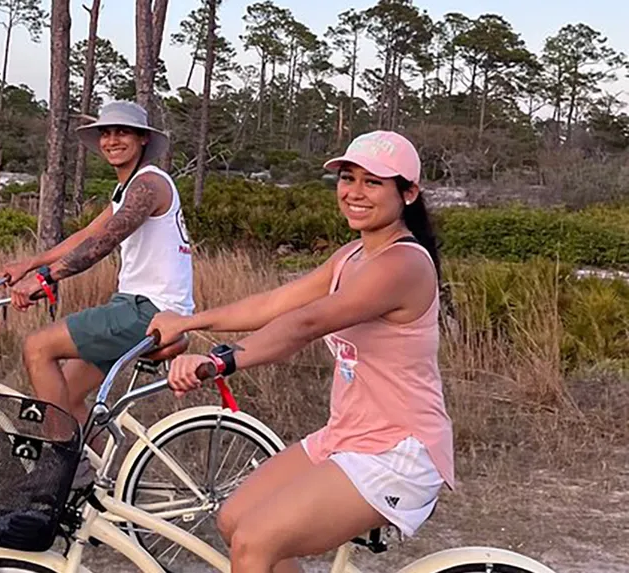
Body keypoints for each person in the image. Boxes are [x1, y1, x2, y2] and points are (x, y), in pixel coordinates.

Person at [147, 130, 455, 572]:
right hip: (346, 436)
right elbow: (276, 304)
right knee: (234, 520)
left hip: (397, 453)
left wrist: (221, 361)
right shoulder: (352, 256)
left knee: (255, 543)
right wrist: (188, 322)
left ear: (408, 193)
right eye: (348, 178)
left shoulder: (404, 264)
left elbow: (308, 322)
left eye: (373, 182)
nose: (354, 192)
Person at [0, 100, 195, 483]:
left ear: (142, 139)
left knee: (38, 347)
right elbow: (87, 234)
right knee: (69, 397)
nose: (111, 140)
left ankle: (62, 468)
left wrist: (46, 280)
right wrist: (32, 263)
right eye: (105, 133)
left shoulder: (150, 184)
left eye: (121, 132)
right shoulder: (126, 189)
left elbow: (105, 241)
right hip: (134, 305)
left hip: (151, 310)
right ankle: (115, 485)